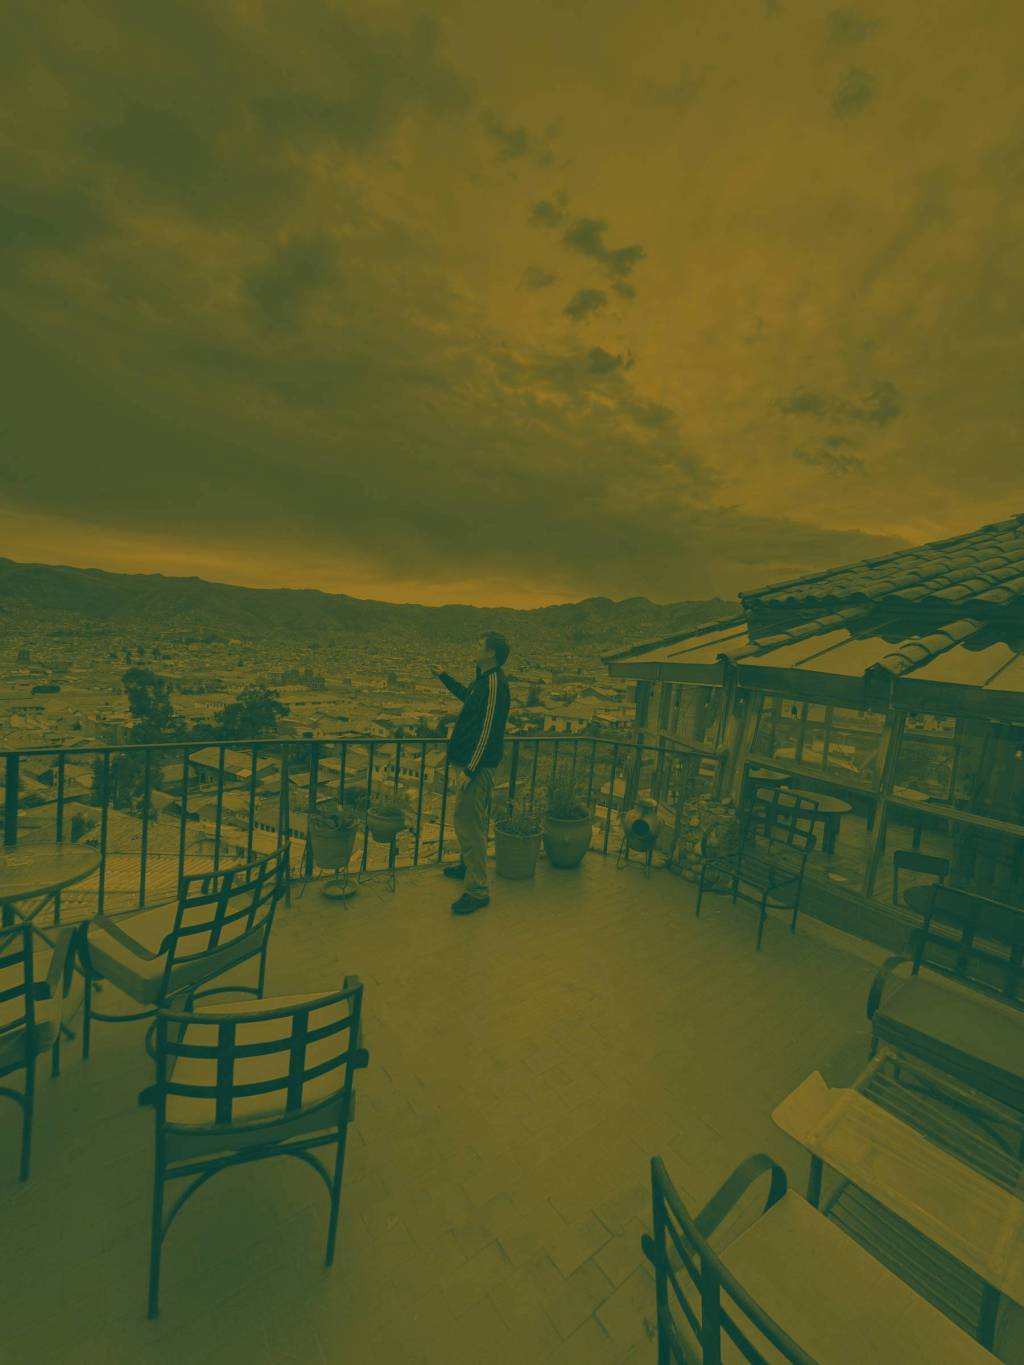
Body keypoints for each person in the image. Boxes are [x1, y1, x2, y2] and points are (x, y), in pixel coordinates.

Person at [432, 632, 511, 915]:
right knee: (467, 819)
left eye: (479, 645)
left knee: (471, 826)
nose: (475, 648)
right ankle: (467, 866)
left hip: (475, 767)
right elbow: (468, 698)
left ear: (491, 653)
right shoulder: (483, 681)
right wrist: (444, 676)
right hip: (469, 764)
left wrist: (471, 768)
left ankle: (477, 890)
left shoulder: (494, 684)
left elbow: (488, 731)